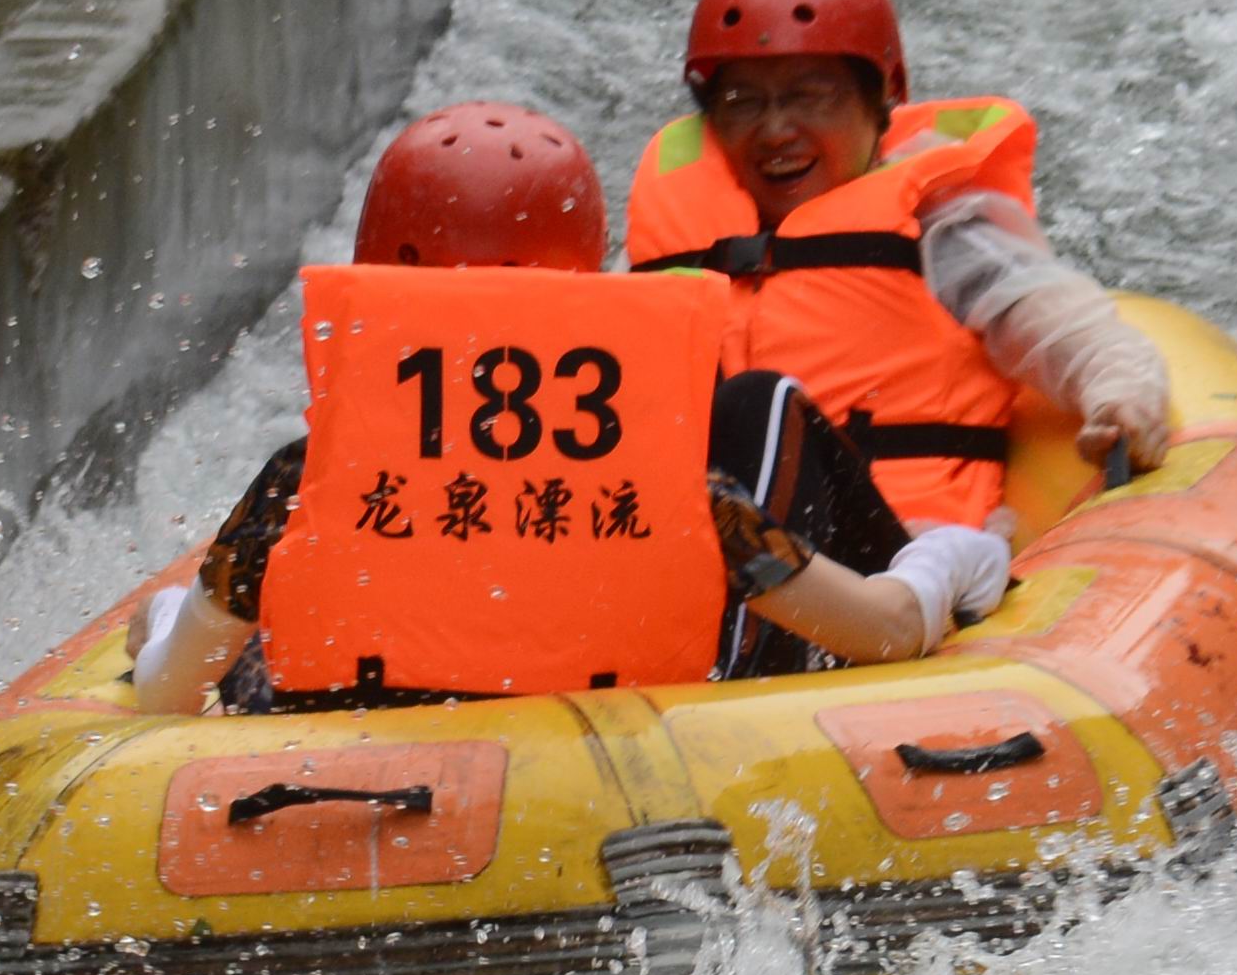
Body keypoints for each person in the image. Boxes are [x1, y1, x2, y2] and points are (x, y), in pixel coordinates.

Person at [131, 102, 1004, 714]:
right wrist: (955, 553)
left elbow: (170, 692)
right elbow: (887, 633)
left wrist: (160, 616)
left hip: (343, 783)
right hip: (611, 769)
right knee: (759, 404)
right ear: (586, 289)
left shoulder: (299, 483)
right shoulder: (672, 492)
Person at [619, 0, 1175, 544]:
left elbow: (1063, 325)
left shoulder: (940, 223)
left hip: (897, 556)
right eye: (743, 102)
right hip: (702, 556)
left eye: (812, 96)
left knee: (758, 402)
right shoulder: (660, 257)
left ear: (883, 102)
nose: (776, 131)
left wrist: (1120, 398)